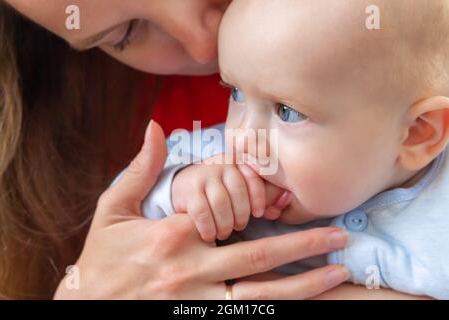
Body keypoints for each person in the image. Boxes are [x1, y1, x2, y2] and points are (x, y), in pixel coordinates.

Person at [143, 0, 449, 299]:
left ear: (417, 133)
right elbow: (130, 199)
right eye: (235, 93)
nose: (242, 138)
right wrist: (181, 188)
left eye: (287, 112)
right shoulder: (215, 160)